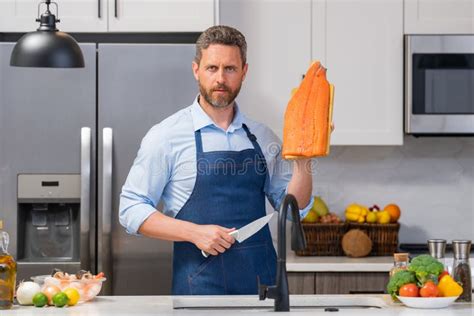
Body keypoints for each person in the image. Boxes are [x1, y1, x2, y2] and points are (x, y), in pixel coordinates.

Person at [119, 25, 314, 295]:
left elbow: (294, 209)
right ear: (196, 70)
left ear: (244, 72)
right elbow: (131, 209)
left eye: (230, 69)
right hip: (199, 291)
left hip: (263, 288)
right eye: (212, 68)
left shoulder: (263, 137)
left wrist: (306, 158)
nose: (220, 78)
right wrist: (194, 232)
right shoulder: (166, 136)